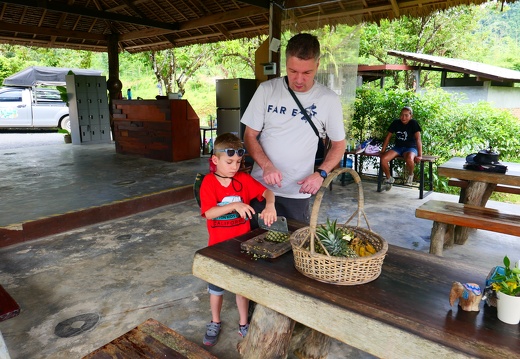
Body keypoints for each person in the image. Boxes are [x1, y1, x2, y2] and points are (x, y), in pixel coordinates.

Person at [241, 33, 346, 224]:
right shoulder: (267, 90)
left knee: (294, 248)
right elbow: (249, 135)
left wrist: (321, 173)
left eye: (306, 73)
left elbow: (339, 144)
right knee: (253, 245)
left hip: (298, 194)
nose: (298, 79)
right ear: (285, 64)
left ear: (318, 65)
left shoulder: (328, 99)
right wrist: (266, 165)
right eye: (292, 71)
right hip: (260, 189)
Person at [198, 132, 277, 346]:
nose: (234, 167)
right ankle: (215, 321)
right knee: (216, 289)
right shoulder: (208, 183)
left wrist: (270, 205)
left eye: (239, 162)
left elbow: (268, 193)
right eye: (229, 161)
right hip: (217, 248)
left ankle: (244, 324)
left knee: (242, 288)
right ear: (215, 160)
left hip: (242, 247)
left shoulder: (243, 180)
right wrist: (234, 205)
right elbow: (209, 212)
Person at [379, 106, 423, 190]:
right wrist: (383, 151)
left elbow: (418, 139)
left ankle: (410, 175)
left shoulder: (413, 123)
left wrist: (420, 155)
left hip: (410, 148)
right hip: (398, 147)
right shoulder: (396, 122)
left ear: (411, 116)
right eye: (402, 115)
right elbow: (388, 137)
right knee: (383, 159)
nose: (403, 117)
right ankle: (389, 178)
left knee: (409, 158)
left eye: (406, 115)